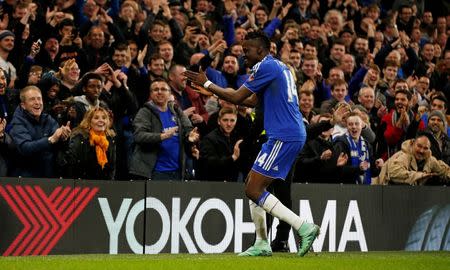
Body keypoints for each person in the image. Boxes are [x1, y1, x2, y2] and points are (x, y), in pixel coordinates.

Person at [184, 31, 319, 257]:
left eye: (247, 51)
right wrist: (214, 92)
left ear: (261, 50)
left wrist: (207, 82)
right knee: (252, 183)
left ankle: (304, 227)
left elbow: (237, 97)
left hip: (284, 135)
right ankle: (261, 242)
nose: (243, 56)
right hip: (285, 134)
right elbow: (249, 100)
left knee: (253, 189)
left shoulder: (265, 67)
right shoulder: (278, 67)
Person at [129, 78, 200, 181]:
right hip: (155, 172)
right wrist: (162, 136)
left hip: (178, 170)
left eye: (163, 89)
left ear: (169, 93)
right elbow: (138, 136)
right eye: (155, 89)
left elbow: (188, 130)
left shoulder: (176, 110)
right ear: (151, 94)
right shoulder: (145, 112)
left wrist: (190, 141)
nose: (159, 92)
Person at [9, 86, 71, 177]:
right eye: (32, 99)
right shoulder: (17, 123)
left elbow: (58, 139)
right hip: (25, 181)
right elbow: (25, 148)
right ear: (23, 105)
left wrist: (64, 136)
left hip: (49, 177)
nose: (37, 103)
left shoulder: (48, 119)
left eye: (39, 99)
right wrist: (50, 140)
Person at [375, 134, 450, 185]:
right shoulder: (403, 155)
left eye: (425, 148)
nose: (421, 151)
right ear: (413, 143)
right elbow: (394, 173)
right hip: (383, 192)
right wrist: (420, 176)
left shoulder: (430, 160)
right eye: (419, 146)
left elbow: (444, 170)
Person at [64, 107, 116, 180]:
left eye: (104, 118)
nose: (101, 120)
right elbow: (71, 164)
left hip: (104, 185)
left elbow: (112, 168)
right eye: (96, 118)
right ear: (89, 121)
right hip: (82, 184)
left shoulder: (110, 140)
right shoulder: (80, 138)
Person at [196, 107, 243, 181]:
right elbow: (210, 164)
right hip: (213, 184)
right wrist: (232, 158)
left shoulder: (237, 137)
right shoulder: (209, 139)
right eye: (225, 120)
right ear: (218, 121)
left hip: (232, 182)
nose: (229, 124)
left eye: (232, 120)